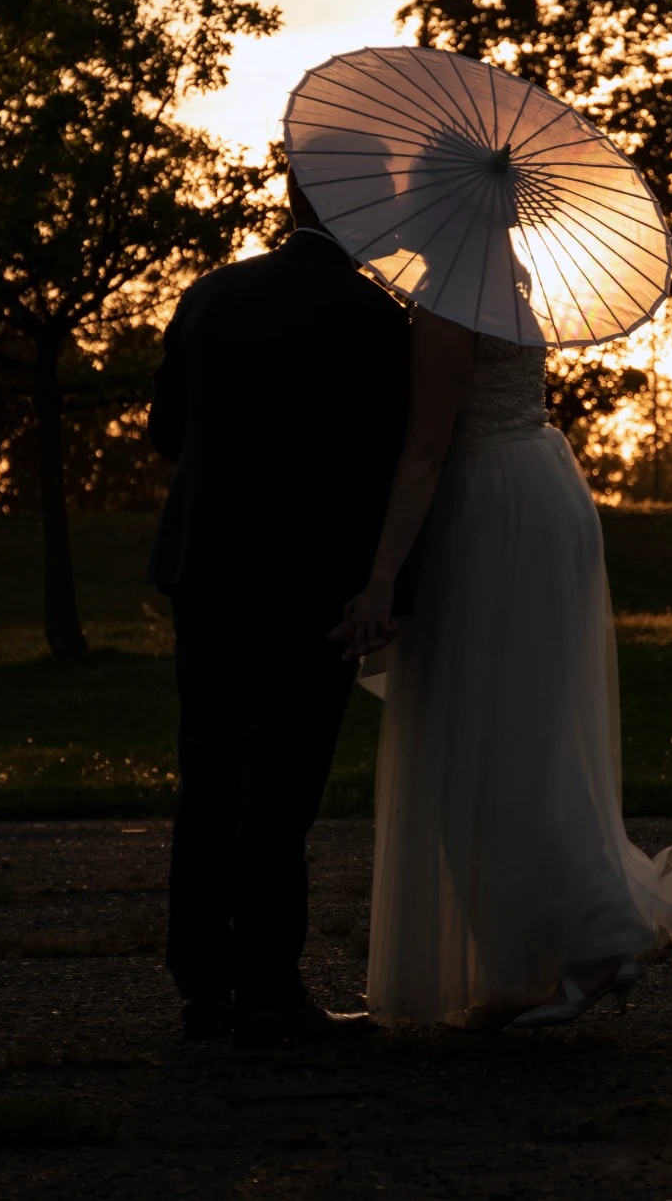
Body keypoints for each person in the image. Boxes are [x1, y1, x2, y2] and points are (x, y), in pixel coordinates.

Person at [332, 305, 672, 1030]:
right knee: (523, 730)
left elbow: (427, 450)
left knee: (492, 738)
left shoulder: (450, 299)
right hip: (536, 480)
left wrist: (382, 576)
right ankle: (533, 964)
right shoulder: (507, 275)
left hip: (489, 504)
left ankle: (595, 942)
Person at [148, 169, 409, 1043]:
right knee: (281, 782)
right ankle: (267, 987)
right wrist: (388, 586)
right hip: (308, 582)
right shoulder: (375, 318)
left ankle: (199, 982)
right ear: (356, 209)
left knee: (210, 768)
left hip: (205, 564)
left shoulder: (213, 292)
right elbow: (376, 466)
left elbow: (166, 431)